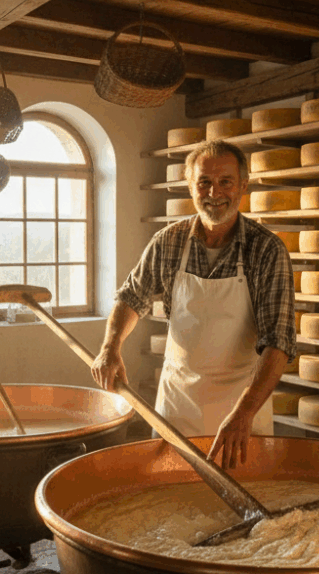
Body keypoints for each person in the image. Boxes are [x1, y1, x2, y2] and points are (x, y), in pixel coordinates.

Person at [91, 139, 298, 469]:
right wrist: (110, 346)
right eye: (204, 181)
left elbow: (278, 343)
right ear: (191, 185)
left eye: (225, 182)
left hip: (240, 412)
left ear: (242, 185)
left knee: (240, 507)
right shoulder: (169, 241)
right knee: (173, 507)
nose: (214, 192)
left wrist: (245, 413)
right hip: (177, 409)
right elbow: (130, 297)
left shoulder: (266, 251)